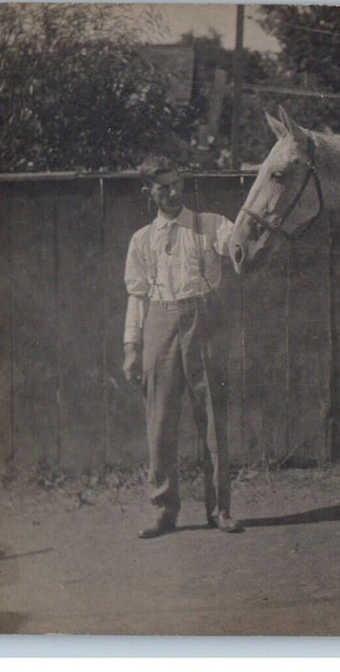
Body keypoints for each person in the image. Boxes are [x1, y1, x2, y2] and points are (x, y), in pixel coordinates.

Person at [122, 156, 242, 538]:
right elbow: (136, 297)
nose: (172, 193)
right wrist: (132, 346)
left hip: (203, 320)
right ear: (149, 192)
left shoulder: (211, 225)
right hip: (158, 322)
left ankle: (219, 509)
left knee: (211, 417)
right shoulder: (142, 240)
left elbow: (240, 245)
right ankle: (163, 510)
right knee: (159, 421)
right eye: (162, 187)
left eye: (176, 184)